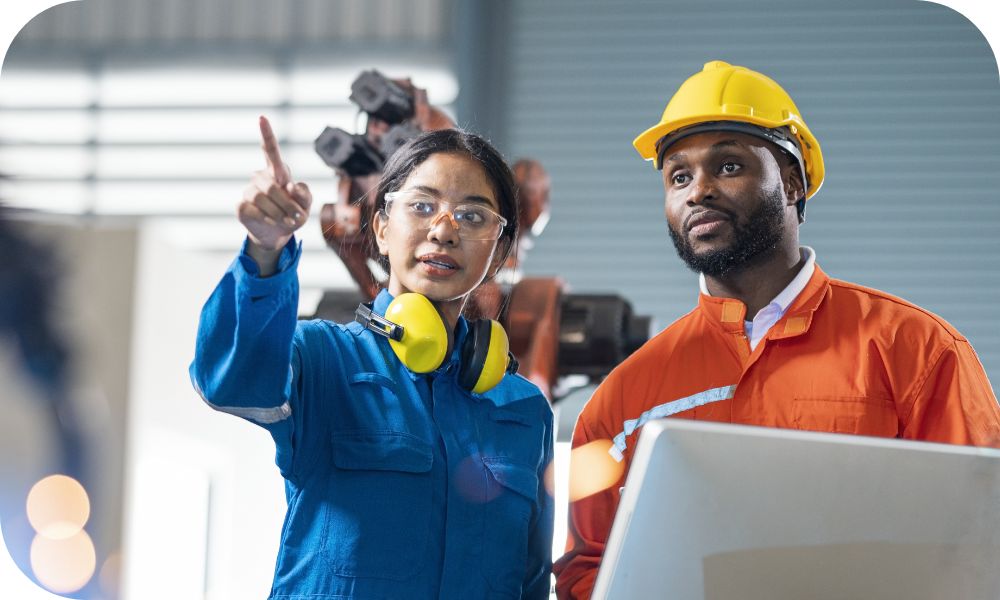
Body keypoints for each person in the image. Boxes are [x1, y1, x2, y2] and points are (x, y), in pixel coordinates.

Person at [552, 60, 1000, 599]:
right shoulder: (625, 396)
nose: (699, 191)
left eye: (730, 166)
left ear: (791, 182)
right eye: (678, 176)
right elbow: (588, 572)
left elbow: (978, 538)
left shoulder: (915, 350)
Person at [190, 118, 554, 599]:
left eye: (472, 216)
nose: (444, 230)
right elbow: (230, 381)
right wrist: (264, 250)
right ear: (382, 229)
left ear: (500, 249)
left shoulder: (523, 411)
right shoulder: (322, 360)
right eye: (422, 206)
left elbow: (529, 582)